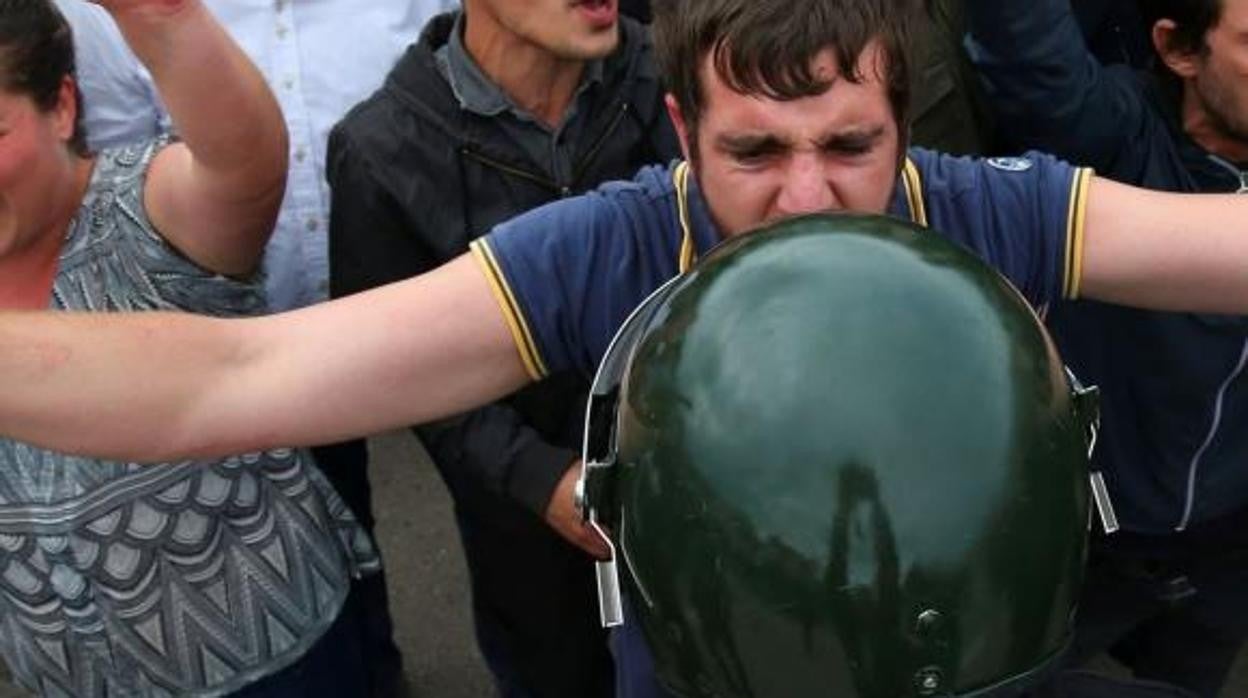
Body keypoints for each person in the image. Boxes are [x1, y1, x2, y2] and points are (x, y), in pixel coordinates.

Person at [2, 0, 1248, 692]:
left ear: (902, 123)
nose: (806, 195)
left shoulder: (989, 204)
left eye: (850, 146)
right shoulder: (603, 243)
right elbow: (246, 373)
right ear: (679, 129)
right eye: (754, 151)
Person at [0, 0, 378, 695]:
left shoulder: (141, 212)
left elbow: (242, 170)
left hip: (273, 659)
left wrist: (166, 17)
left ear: (61, 106)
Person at [327, 0, 678, 694]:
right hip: (526, 547)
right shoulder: (380, 154)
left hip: (693, 500)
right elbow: (403, 377)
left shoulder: (675, 77)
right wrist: (541, 480)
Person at [965, 1, 1248, 695]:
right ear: (1180, 50)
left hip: (1225, 562)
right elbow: (1032, 59)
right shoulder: (1119, 138)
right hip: (1084, 545)